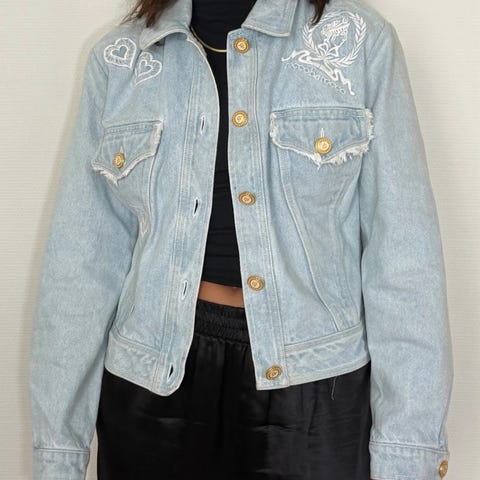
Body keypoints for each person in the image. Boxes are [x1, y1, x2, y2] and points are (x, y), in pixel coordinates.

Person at [28, 0, 454, 478]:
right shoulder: (122, 59)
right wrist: (58, 454)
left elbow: (403, 259)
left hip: (314, 388)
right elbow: (81, 264)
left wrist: (407, 453)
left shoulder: (358, 42)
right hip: (149, 388)